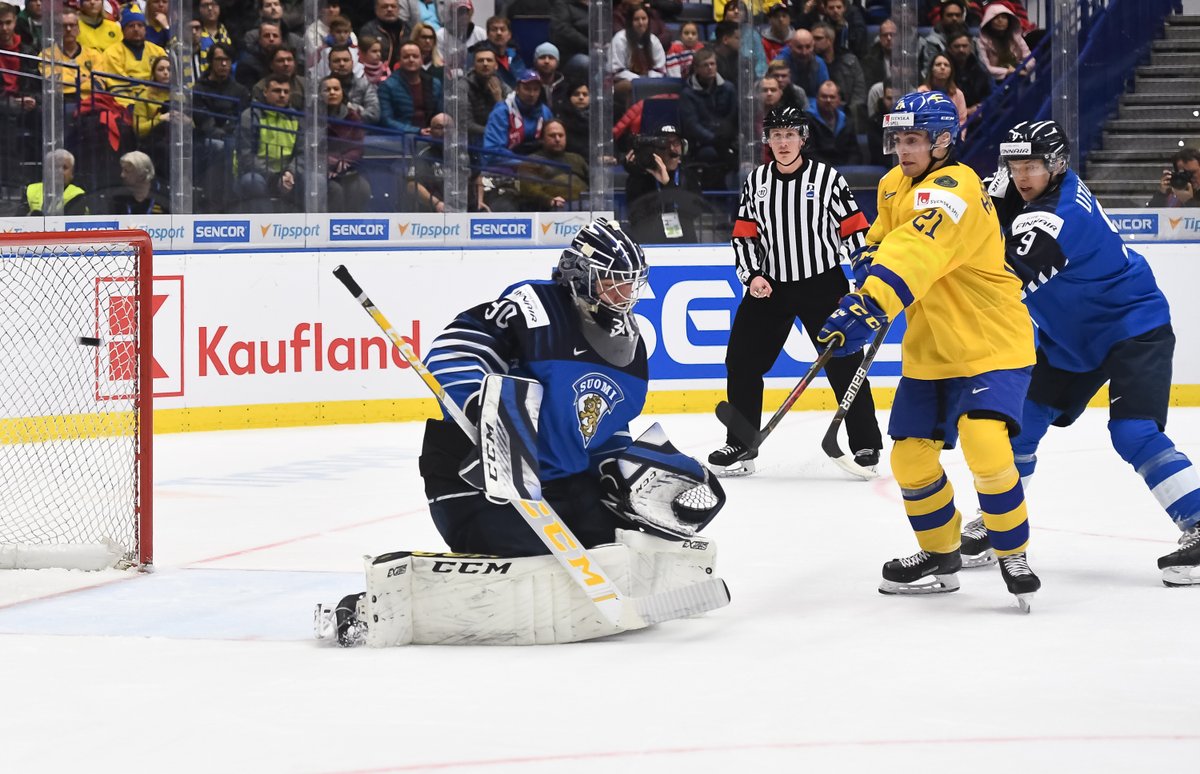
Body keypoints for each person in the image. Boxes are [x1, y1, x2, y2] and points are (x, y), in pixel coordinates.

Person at [316, 217, 725, 646]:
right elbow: (458, 347)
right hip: (473, 473)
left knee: (610, 551)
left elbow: (606, 430)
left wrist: (625, 474)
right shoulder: (536, 306)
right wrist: (483, 409)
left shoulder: (633, 347)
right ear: (580, 277)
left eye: (630, 284)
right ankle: (370, 602)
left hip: (559, 482)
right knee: (532, 564)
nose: (624, 295)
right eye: (612, 282)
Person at [815, 91, 1039, 607]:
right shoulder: (895, 184)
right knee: (911, 462)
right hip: (932, 346)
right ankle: (942, 554)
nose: (902, 150)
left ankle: (1012, 551)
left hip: (991, 342)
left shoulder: (954, 188)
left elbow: (919, 248)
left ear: (943, 141)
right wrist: (868, 260)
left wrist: (870, 303)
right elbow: (886, 238)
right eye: (897, 139)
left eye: (914, 140)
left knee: (985, 444)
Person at [962, 122, 1200, 587]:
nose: (1022, 175)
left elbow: (1000, 280)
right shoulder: (1028, 190)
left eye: (1032, 165)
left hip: (1132, 325)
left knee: (1133, 433)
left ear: (1055, 165)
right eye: (1015, 165)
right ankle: (999, 524)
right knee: (1020, 425)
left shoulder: (1057, 217)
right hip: (1068, 339)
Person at [709, 106, 882, 476]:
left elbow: (854, 230)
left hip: (823, 284)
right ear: (767, 141)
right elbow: (743, 235)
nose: (783, 142)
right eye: (776, 135)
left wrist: (865, 277)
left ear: (803, 138)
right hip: (770, 286)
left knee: (845, 362)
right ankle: (741, 446)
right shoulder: (756, 182)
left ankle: (865, 443)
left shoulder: (827, 179)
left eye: (789, 135)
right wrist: (752, 275)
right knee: (741, 361)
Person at [236, 75, 303, 209]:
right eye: (277, 91)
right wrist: (274, 177)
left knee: (316, 181)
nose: (282, 95)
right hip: (259, 174)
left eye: (286, 92)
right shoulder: (250, 115)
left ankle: (313, 228)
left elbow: (302, 153)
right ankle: (266, 226)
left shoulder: (296, 117)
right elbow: (247, 157)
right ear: (265, 92)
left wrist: (290, 172)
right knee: (252, 181)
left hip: (287, 175)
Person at [320, 75, 372, 212]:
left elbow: (358, 146)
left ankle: (352, 227)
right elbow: (312, 146)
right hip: (321, 169)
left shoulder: (352, 116)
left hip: (346, 168)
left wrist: (343, 161)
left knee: (361, 188)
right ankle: (331, 228)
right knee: (335, 191)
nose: (332, 93)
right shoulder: (314, 116)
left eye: (336, 89)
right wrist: (331, 162)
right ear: (319, 94)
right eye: (327, 89)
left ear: (342, 92)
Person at [517, 119, 588, 210]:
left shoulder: (577, 159)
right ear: (542, 139)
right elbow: (528, 190)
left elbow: (593, 182)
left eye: (561, 135)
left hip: (585, 206)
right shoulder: (532, 161)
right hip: (551, 209)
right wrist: (548, 200)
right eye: (552, 135)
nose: (557, 139)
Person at [379, 41, 443, 133]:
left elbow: (441, 113)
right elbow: (386, 120)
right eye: (406, 57)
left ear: (421, 59)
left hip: (432, 135)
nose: (411, 60)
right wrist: (417, 131)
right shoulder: (387, 86)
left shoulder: (434, 83)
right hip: (400, 138)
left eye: (415, 56)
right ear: (399, 61)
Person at [804, 80, 859, 167]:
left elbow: (854, 152)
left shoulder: (846, 121)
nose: (828, 100)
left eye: (832, 97)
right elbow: (809, 152)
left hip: (845, 171)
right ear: (817, 98)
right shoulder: (807, 119)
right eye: (824, 96)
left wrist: (848, 170)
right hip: (818, 170)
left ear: (839, 100)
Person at [978, 2, 1033, 82]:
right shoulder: (982, 42)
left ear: (1009, 20)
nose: (1000, 20)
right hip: (996, 80)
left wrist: (1022, 67)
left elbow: (1030, 59)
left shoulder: (1016, 38)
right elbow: (986, 68)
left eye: (1003, 17)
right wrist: (1008, 72)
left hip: (1019, 74)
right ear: (989, 21)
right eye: (996, 18)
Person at [25, 149, 88, 215]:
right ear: (45, 171)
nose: (60, 171)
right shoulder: (30, 190)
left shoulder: (78, 195)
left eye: (65, 167)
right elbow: (18, 217)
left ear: (72, 173)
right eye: (55, 166)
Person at [106, 150, 169, 214]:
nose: (122, 175)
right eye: (122, 170)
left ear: (142, 174)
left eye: (127, 171)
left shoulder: (164, 193)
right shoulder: (117, 197)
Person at [917, 53, 967, 127]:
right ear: (931, 69)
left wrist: (959, 137)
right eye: (938, 64)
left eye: (946, 65)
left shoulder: (958, 94)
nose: (942, 67)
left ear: (951, 71)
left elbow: (962, 120)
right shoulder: (921, 92)